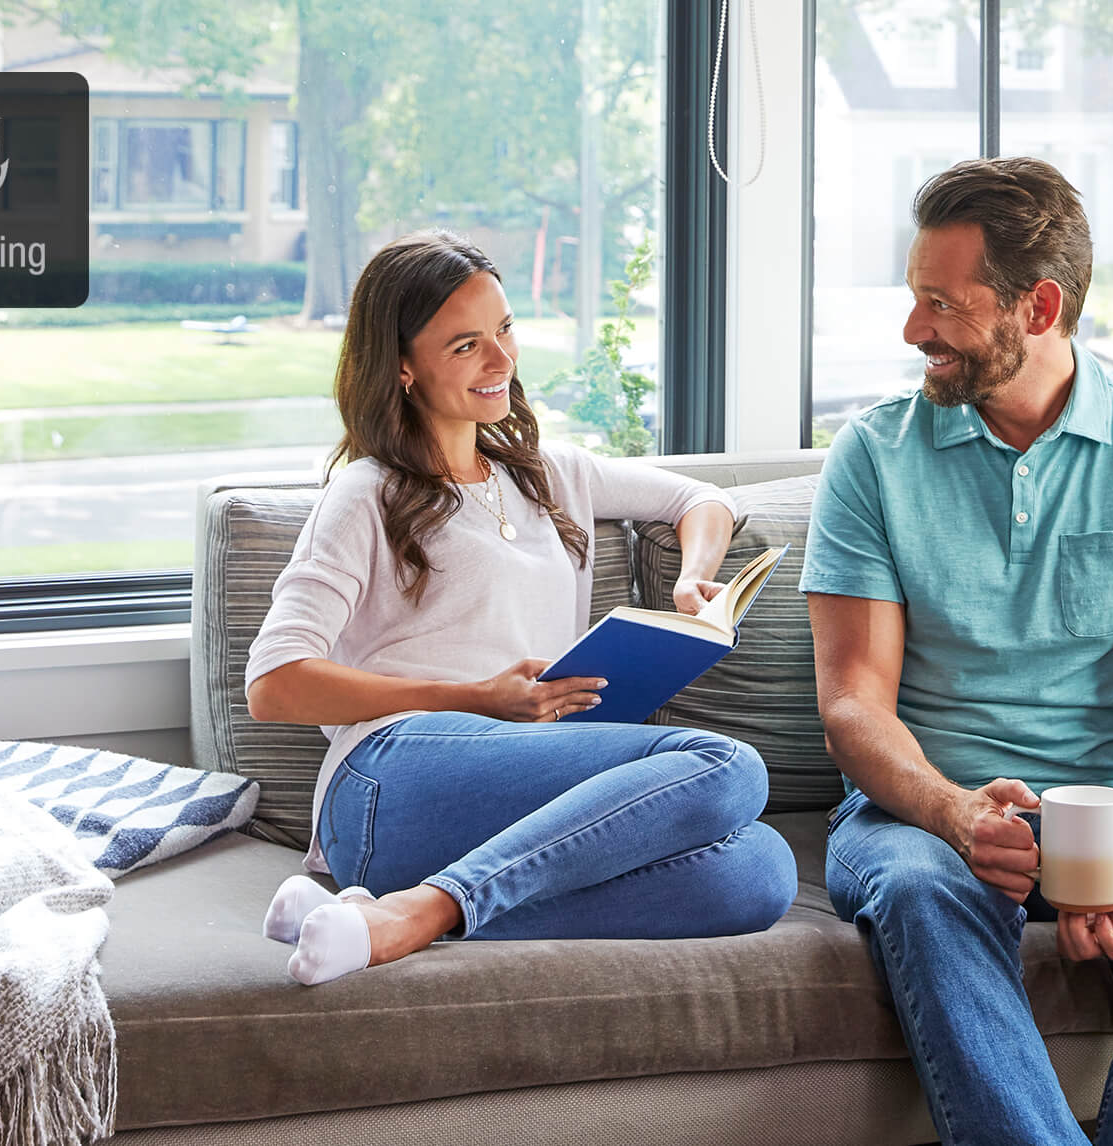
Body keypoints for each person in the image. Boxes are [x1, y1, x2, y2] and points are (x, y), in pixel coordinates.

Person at [800, 158, 1113, 1145]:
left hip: (1112, 797)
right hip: (920, 805)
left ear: (1039, 305)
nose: (912, 330)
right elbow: (853, 701)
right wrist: (951, 810)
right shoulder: (875, 456)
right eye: (913, 297)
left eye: (941, 302)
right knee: (929, 895)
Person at [246, 230, 797, 987]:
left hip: (518, 798)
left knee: (759, 873)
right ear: (402, 366)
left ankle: (366, 916)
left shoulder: (548, 474)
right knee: (724, 764)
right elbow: (275, 682)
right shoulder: (365, 494)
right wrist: (474, 698)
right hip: (392, 777)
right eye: (465, 345)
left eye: (504, 330)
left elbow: (700, 499)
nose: (501, 361)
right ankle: (418, 912)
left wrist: (691, 581)